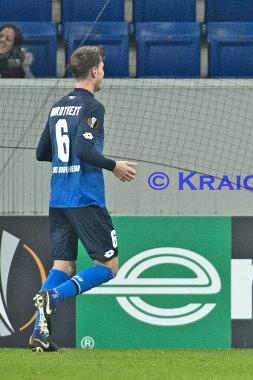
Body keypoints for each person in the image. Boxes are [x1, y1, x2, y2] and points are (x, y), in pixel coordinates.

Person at [31, 45, 137, 352]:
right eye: (102, 66)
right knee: (109, 267)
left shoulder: (58, 106)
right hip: (84, 197)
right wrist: (114, 166)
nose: (103, 72)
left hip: (59, 196)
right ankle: (54, 297)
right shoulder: (92, 107)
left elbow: (42, 153)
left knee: (62, 266)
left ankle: (40, 333)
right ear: (93, 71)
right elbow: (85, 150)